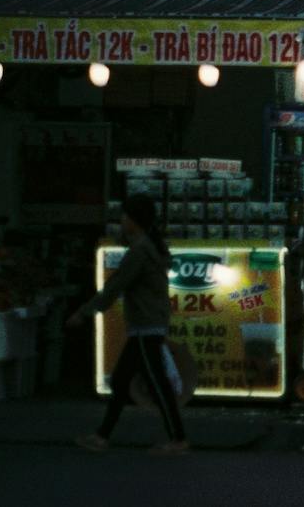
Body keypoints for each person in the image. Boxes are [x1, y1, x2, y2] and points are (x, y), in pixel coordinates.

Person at [66, 193, 187, 453]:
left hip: (145, 324)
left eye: (124, 216)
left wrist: (84, 312)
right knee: (122, 381)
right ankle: (102, 436)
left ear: (133, 220)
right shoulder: (148, 246)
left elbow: (115, 287)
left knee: (157, 384)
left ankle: (177, 439)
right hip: (148, 323)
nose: (121, 220)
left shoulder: (140, 252)